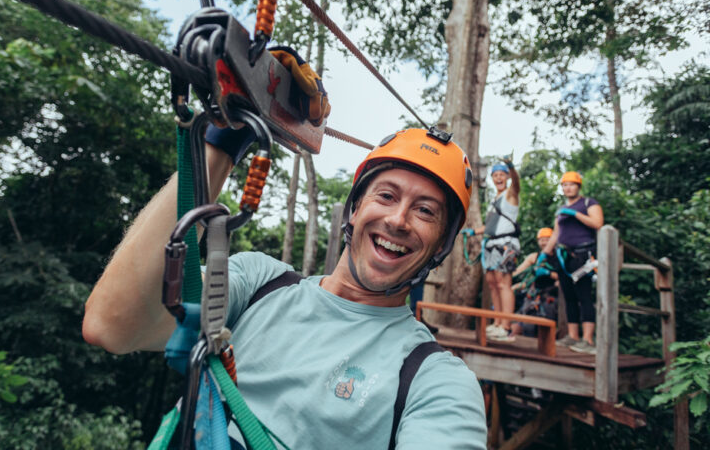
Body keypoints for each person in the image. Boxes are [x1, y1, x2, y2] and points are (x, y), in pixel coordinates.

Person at [82, 126, 487, 449]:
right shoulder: (260, 284)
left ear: (439, 246)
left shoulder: (435, 380)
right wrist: (219, 145)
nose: (399, 220)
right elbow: (113, 325)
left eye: (425, 211)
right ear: (355, 208)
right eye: (386, 195)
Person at [538, 171, 604, 354]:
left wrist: (575, 214)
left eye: (571, 184)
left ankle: (588, 340)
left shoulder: (588, 203)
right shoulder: (561, 210)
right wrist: (544, 254)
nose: (568, 188)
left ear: (578, 186)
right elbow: (556, 234)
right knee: (569, 297)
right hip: (563, 256)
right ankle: (573, 336)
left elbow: (598, 223)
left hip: (583, 255)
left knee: (584, 295)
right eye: (565, 185)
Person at [460, 156, 521, 342]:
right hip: (492, 242)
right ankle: (497, 323)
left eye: (502, 174)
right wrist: (474, 232)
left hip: (506, 243)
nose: (499, 178)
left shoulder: (511, 194)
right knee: (493, 283)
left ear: (508, 176)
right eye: (496, 175)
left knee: (504, 283)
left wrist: (511, 167)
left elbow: (517, 184)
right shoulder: (495, 199)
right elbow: (490, 225)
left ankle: (506, 325)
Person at [509, 227, 559, 337]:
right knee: (525, 324)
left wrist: (548, 273)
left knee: (546, 325)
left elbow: (563, 278)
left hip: (551, 296)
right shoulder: (534, 257)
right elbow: (518, 271)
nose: (544, 242)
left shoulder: (558, 257)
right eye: (542, 240)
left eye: (547, 239)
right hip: (534, 295)